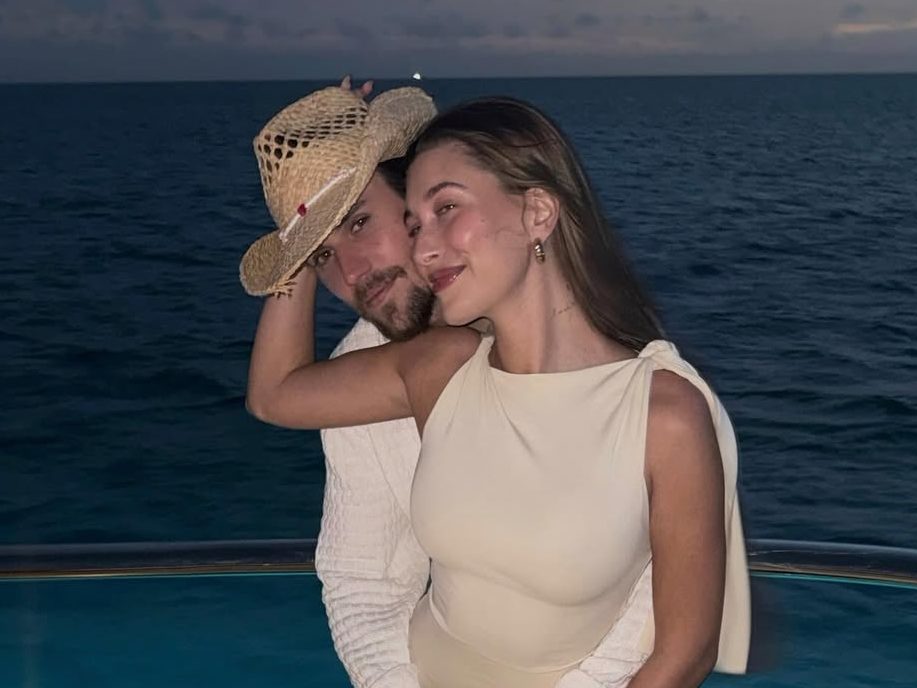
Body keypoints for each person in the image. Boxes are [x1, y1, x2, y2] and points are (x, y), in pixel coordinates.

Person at [243, 84, 750, 688]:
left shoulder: (663, 413)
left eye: (445, 210)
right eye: (417, 225)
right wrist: (300, 234)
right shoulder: (436, 367)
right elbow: (276, 396)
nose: (425, 249)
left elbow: (681, 649)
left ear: (538, 212)